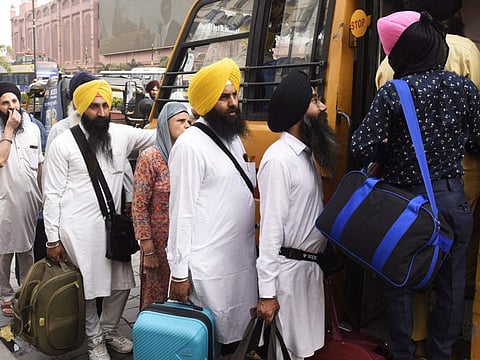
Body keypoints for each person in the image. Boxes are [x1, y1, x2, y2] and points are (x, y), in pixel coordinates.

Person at [351, 11, 480, 360]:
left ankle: (404, 353)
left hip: (406, 205)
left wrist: (391, 147)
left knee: (401, 285)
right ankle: (442, 353)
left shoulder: (393, 93)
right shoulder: (464, 88)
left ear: (402, 55)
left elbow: (361, 146)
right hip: (453, 201)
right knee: (451, 288)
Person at [43, 79, 155, 360]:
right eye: (94, 106)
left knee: (121, 285)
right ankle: (94, 341)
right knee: (89, 289)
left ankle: (109, 330)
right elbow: (52, 194)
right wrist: (52, 238)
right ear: (81, 109)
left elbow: (157, 135)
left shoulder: (121, 134)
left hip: (112, 228)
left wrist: (188, 120)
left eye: (105, 105)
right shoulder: (63, 143)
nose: (101, 111)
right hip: (77, 230)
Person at [166, 58, 258, 357]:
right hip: (207, 268)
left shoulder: (234, 139)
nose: (233, 103)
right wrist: (179, 272)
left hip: (240, 263)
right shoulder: (190, 145)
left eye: (234, 95)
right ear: (206, 102)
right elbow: (181, 213)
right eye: (224, 97)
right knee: (207, 342)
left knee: (237, 338)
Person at [256, 70, 338, 360]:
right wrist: (267, 293)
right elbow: (270, 231)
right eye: (315, 101)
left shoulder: (304, 155)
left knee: (303, 351)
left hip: (308, 274)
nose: (323, 108)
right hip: (287, 279)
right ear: (298, 113)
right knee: (284, 352)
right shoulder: (278, 160)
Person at [132, 102, 191, 310]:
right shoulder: (150, 158)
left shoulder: (187, 155)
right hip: (158, 244)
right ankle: (152, 340)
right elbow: (139, 205)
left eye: (189, 122)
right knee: (156, 297)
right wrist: (148, 249)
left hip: (181, 242)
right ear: (166, 125)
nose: (186, 126)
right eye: (180, 121)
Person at [0, 82, 43, 317]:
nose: (11, 107)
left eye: (14, 101)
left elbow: (39, 163)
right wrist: (8, 129)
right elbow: (1, 160)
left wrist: (41, 194)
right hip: (3, 202)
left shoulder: (33, 128)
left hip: (28, 201)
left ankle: (26, 292)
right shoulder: (4, 129)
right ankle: (5, 295)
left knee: (27, 251)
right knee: (3, 252)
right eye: (5, 102)